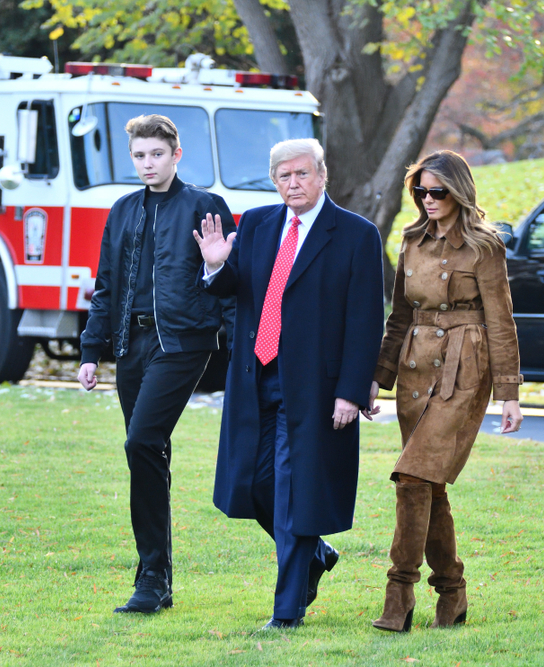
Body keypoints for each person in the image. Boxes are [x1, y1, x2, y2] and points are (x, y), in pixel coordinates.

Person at [194, 138, 384, 629]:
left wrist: (351, 388)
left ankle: (287, 612)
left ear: (323, 175)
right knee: (254, 486)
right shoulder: (257, 223)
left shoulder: (356, 234)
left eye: (302, 174)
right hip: (255, 379)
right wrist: (216, 263)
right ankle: (316, 555)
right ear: (274, 180)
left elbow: (365, 319)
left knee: (295, 493)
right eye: (284, 176)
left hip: (316, 389)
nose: (293, 184)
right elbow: (236, 287)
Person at [77, 114, 236, 614]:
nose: (148, 164)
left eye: (157, 155)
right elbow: (106, 284)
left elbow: (231, 281)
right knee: (147, 455)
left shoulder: (205, 206)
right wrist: (90, 350)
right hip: (131, 345)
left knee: (142, 440)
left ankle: (151, 578)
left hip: (183, 343)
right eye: (140, 156)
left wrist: (241, 349)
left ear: (176, 155)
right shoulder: (123, 210)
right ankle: (156, 580)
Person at [369, 150, 523, 632]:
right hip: (415, 369)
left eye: (438, 191)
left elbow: (502, 322)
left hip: (464, 367)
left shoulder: (484, 246)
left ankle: (399, 594)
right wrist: (377, 376)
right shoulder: (411, 240)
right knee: (428, 486)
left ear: (458, 192)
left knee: (412, 478)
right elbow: (398, 317)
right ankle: (452, 595)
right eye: (421, 191)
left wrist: (510, 392)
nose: (428, 199)